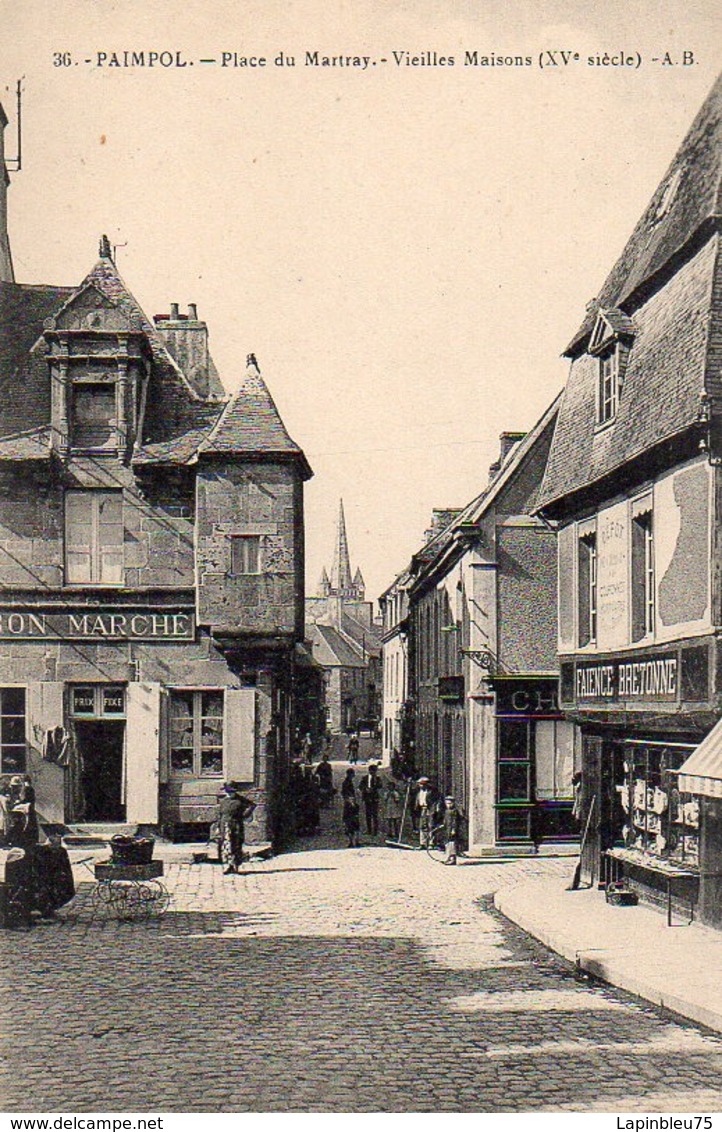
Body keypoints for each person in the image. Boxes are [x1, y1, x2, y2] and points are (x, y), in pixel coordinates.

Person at [217, 783, 256, 874]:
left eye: (231, 792)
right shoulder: (223, 801)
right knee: (225, 845)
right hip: (224, 825)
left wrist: (244, 815)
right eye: (228, 791)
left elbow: (252, 805)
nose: (229, 793)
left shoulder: (240, 800)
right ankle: (227, 866)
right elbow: (220, 814)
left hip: (236, 824)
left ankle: (235, 865)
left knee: (236, 844)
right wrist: (218, 826)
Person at [358, 761, 383, 836]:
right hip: (367, 798)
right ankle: (369, 830)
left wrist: (375, 785)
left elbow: (380, 786)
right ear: (369, 771)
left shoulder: (377, 778)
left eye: (374, 771)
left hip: (374, 798)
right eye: (372, 771)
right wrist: (365, 789)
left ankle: (375, 830)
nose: (373, 773)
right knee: (368, 814)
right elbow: (360, 786)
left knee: (375, 815)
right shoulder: (365, 778)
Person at [341, 768, 360, 847]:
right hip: (349, 804)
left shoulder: (348, 782)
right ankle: (353, 841)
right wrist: (351, 801)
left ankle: (353, 841)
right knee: (351, 823)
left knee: (351, 823)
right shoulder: (346, 783)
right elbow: (345, 793)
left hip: (349, 803)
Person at [443, 795, 460, 865]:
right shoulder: (447, 811)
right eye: (447, 803)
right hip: (447, 829)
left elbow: (455, 821)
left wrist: (454, 829)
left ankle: (452, 859)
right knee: (448, 844)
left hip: (452, 830)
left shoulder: (454, 811)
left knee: (452, 845)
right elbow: (445, 820)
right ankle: (448, 858)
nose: (448, 805)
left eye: (450, 803)